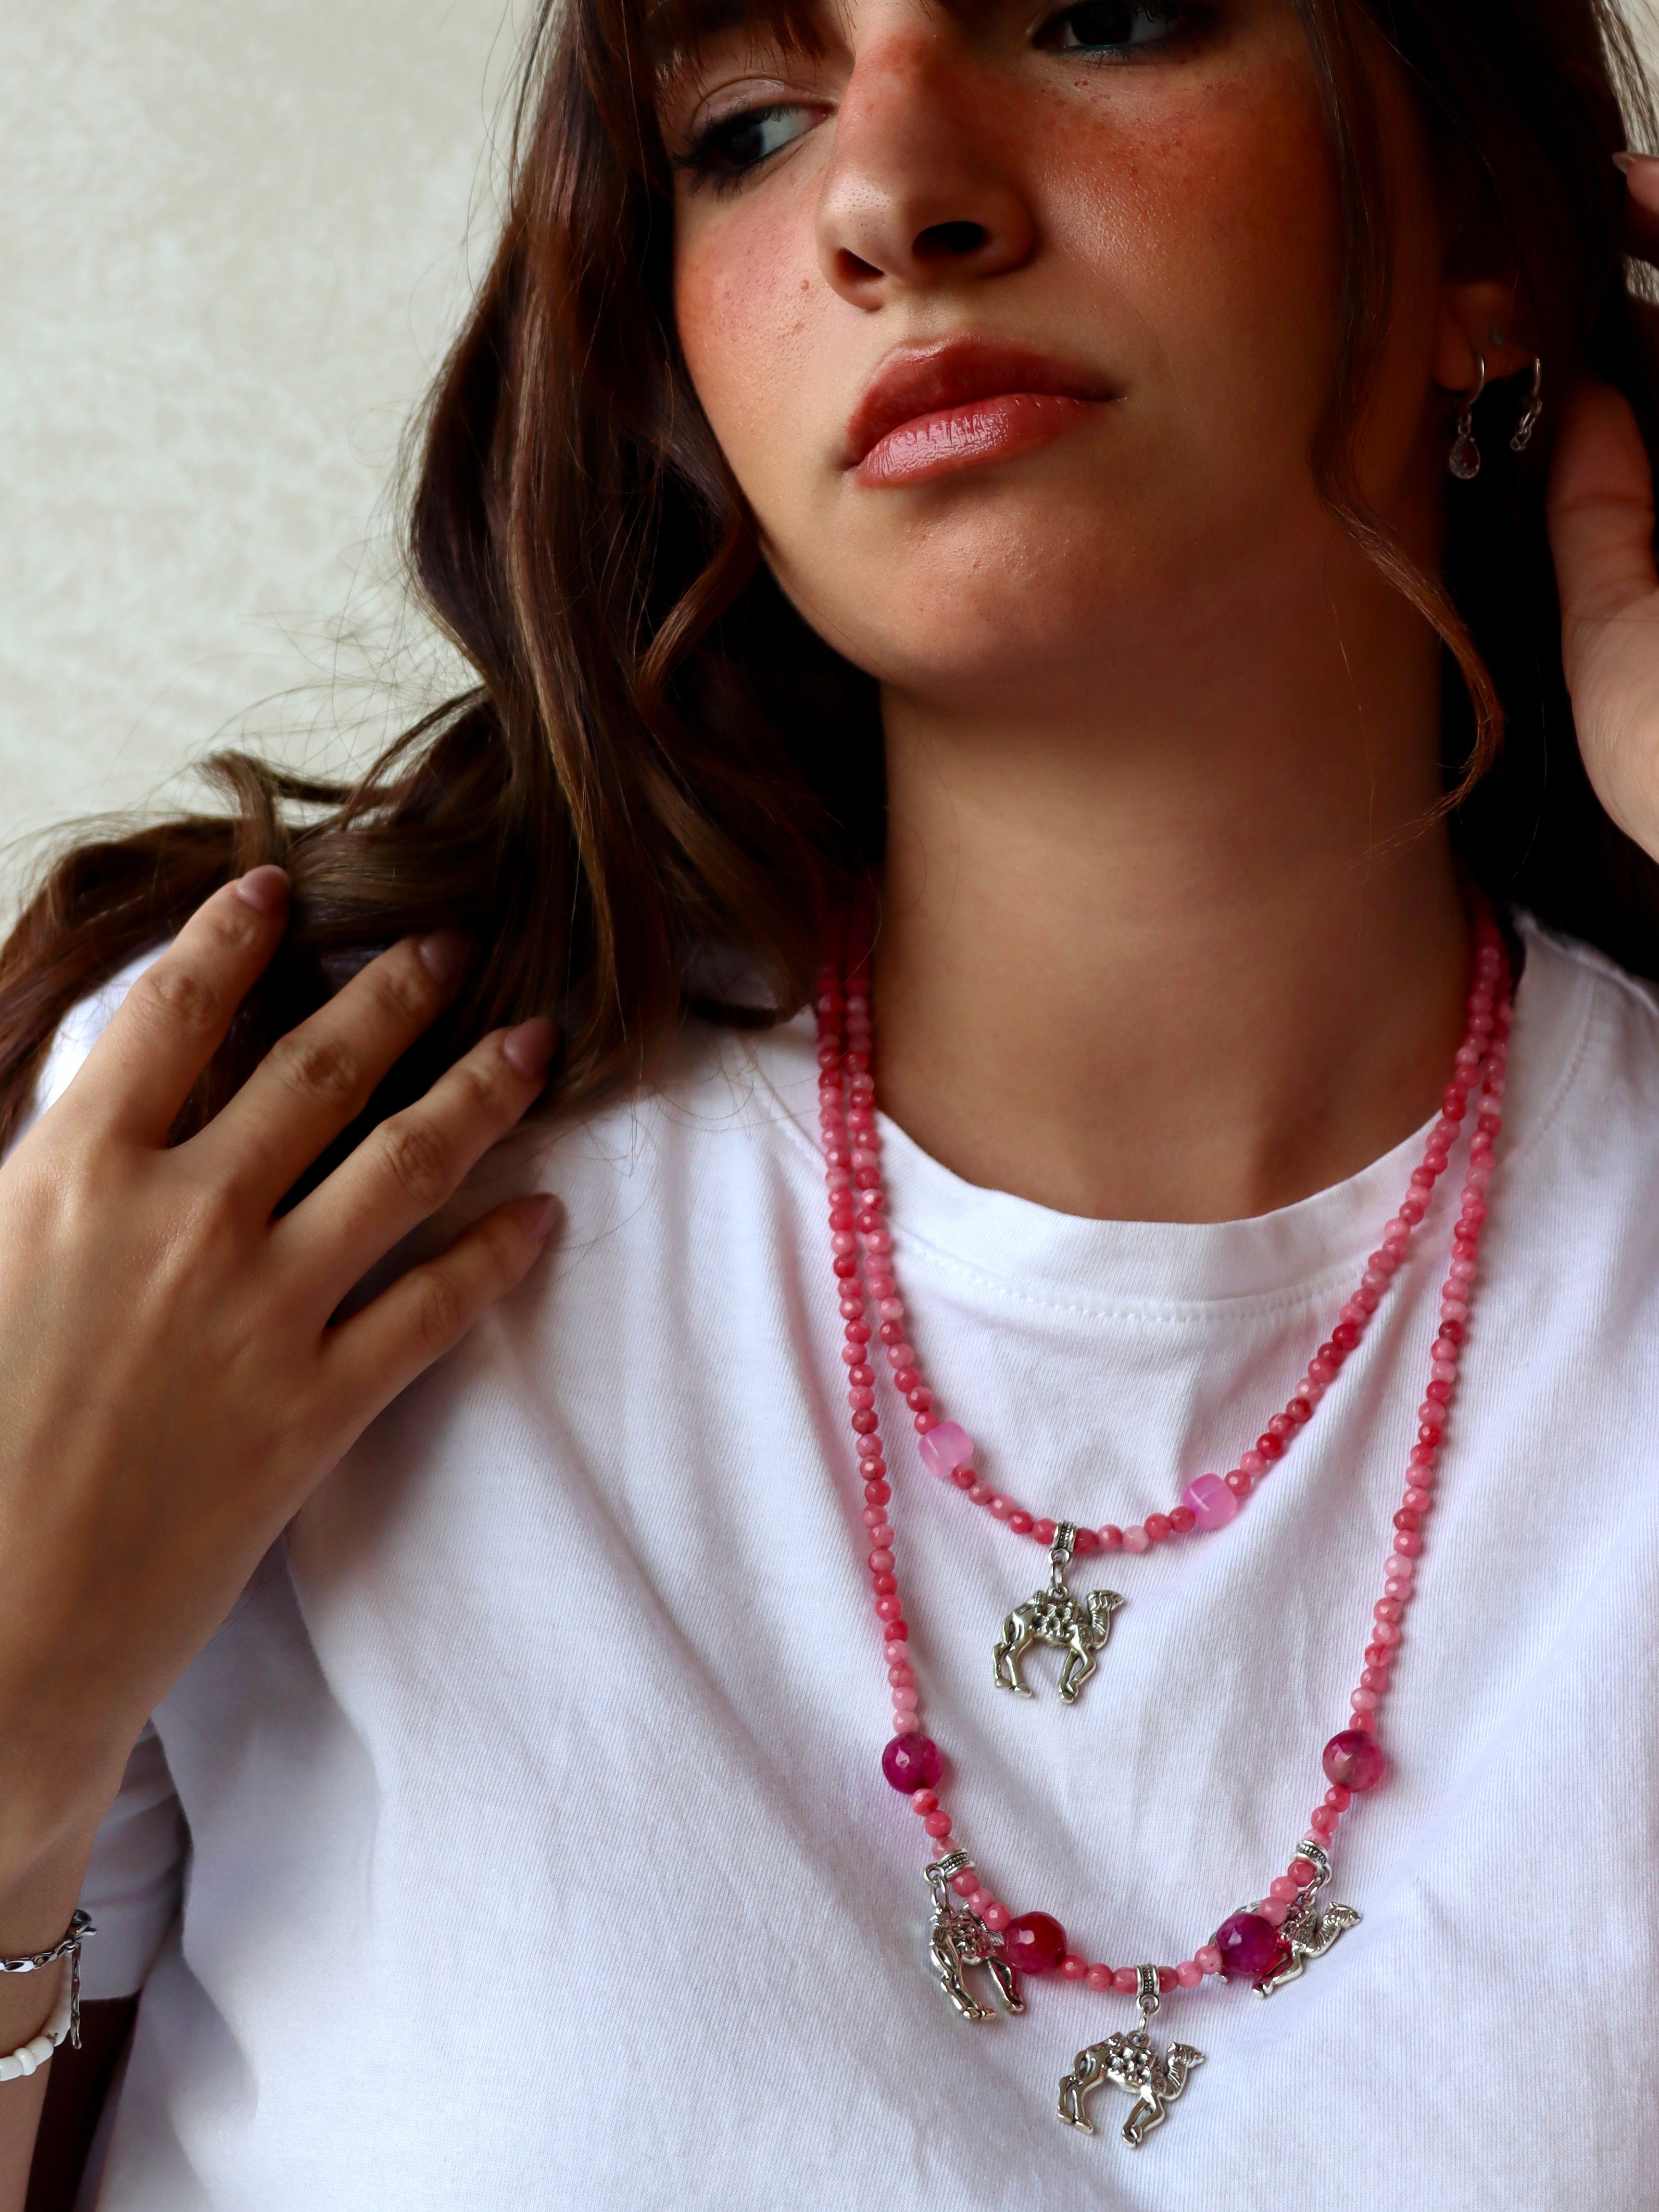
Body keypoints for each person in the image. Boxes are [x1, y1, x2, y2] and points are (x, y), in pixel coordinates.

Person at [3, 0, 1659, 2198]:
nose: (885, 198)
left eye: (1101, 18)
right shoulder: (253, 1180)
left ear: (1487, 250)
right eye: (750, 127)